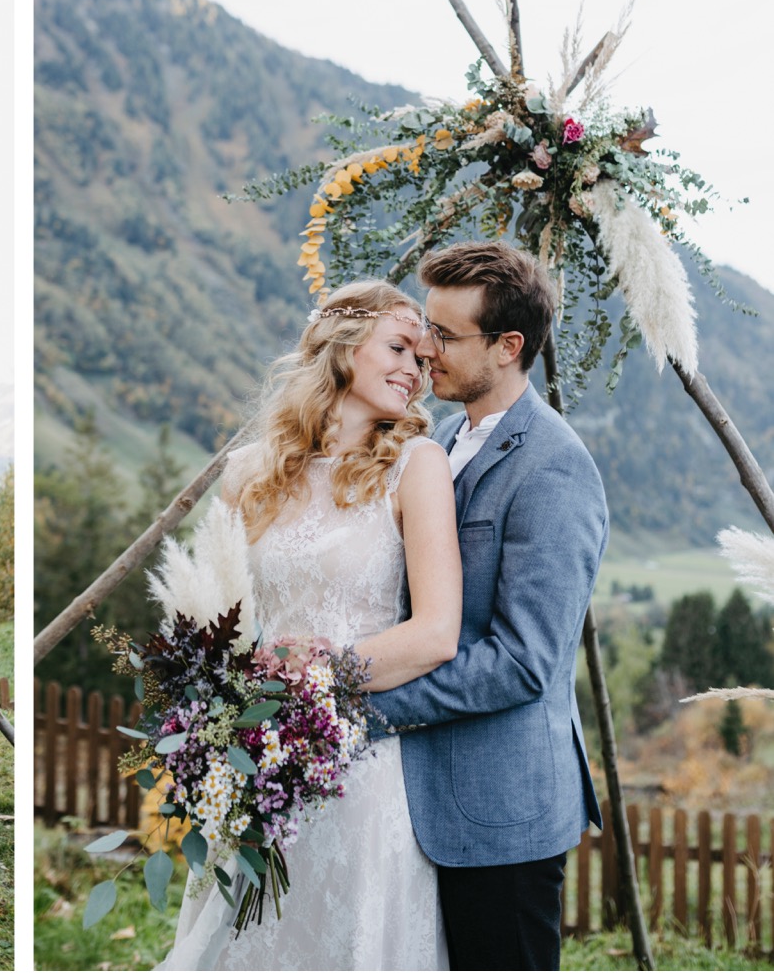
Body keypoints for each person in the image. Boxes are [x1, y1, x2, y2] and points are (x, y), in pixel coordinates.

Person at [160, 279, 462, 970]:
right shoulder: (246, 473)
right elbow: (209, 625)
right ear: (341, 345)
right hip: (256, 762)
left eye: (420, 360)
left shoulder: (418, 467)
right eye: (398, 348)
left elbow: (437, 633)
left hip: (361, 767)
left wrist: (316, 674)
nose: (413, 372)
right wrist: (220, 715)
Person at [368, 241, 606, 970]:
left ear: (508, 347)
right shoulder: (446, 437)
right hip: (427, 799)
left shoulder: (554, 468)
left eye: (446, 335)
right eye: (426, 329)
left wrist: (366, 705)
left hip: (501, 811)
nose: (426, 351)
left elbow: (523, 662)